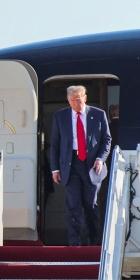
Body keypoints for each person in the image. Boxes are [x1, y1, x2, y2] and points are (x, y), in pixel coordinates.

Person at [50, 85, 112, 246]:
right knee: (73, 205)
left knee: (91, 205)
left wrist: (101, 158)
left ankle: (93, 241)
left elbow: (107, 139)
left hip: (92, 164)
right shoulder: (60, 116)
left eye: (78, 100)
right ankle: (74, 244)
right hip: (70, 165)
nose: (75, 103)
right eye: (71, 100)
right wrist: (55, 169)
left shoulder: (98, 115)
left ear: (85, 97)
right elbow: (55, 145)